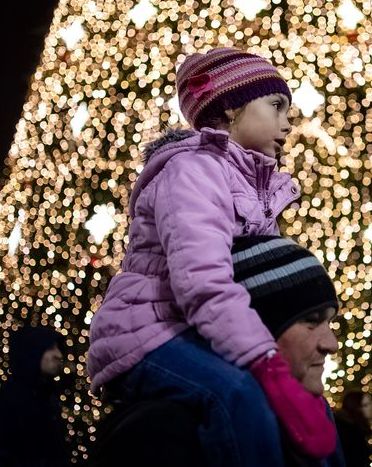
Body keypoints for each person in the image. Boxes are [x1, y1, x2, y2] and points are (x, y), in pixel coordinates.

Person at [88, 48, 336, 465]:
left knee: (314, 411)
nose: (287, 124)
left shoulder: (259, 185)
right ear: (230, 106)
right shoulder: (192, 171)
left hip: (199, 331)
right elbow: (202, 282)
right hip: (149, 334)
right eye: (276, 106)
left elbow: (263, 288)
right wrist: (266, 362)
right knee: (239, 396)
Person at [92, 235, 347, 467]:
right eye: (311, 321)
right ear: (252, 328)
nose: (331, 344)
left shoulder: (313, 417)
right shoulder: (157, 432)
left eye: (330, 322)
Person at [0, 326, 69, 467]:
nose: (59, 355)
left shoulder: (49, 398)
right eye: (50, 348)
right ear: (32, 352)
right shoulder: (5, 402)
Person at [334, 391, 372, 467]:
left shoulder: (357, 427)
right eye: (365, 405)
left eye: (370, 403)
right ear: (355, 407)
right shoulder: (349, 431)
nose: (371, 407)